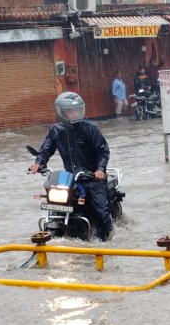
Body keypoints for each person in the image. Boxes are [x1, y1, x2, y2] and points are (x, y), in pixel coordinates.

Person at [29, 92, 113, 241]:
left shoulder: (90, 128)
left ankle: (108, 240)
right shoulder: (56, 130)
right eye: (72, 111)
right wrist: (38, 163)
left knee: (100, 211)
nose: (76, 114)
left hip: (92, 178)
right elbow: (46, 149)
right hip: (71, 179)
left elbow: (103, 151)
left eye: (78, 110)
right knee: (55, 206)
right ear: (63, 113)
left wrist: (100, 170)